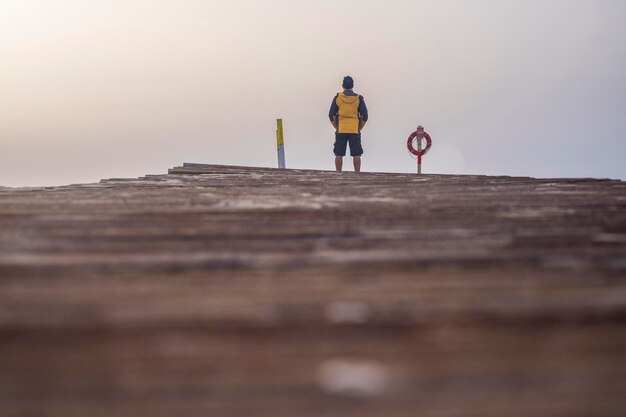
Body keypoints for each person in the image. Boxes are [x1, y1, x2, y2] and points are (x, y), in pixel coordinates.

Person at [329, 75, 368, 172]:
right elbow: (365, 116)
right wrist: (359, 127)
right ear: (353, 85)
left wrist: (337, 127)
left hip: (341, 129)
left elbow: (331, 115)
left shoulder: (337, 98)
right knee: (356, 154)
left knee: (338, 153)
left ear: (342, 85)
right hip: (354, 129)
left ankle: (338, 172)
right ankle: (357, 173)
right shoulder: (359, 99)